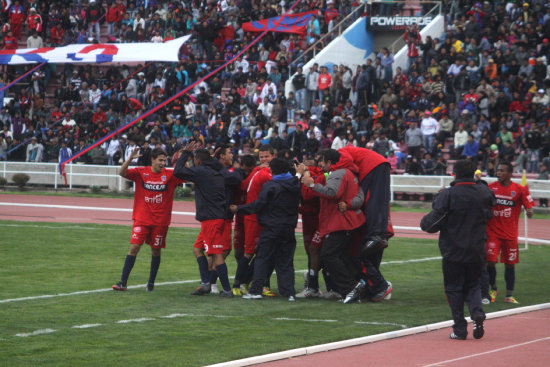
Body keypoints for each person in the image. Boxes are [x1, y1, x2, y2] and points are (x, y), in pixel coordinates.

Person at [421, 159, 495, 340]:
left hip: (453, 250)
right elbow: (490, 212)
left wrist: (436, 202)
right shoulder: (484, 193)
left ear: (454, 174)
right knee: (474, 285)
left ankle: (460, 328)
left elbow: (430, 225)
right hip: (477, 249)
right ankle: (477, 312)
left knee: (454, 289)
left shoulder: (448, 195)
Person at [112, 147, 185, 292]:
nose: (163, 163)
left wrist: (184, 159)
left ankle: (151, 283)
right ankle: (123, 283)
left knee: (156, 251)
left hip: (160, 222)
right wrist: (130, 159)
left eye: (165, 160)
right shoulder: (141, 172)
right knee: (134, 248)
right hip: (142, 219)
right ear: (152, 159)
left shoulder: (170, 175)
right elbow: (121, 172)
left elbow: (186, 175)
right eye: (160, 160)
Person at [231, 158, 301, 301]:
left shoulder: (271, 186)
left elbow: (258, 204)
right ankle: (289, 292)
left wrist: (239, 209)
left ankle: (256, 290)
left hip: (271, 227)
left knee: (262, 259)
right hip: (288, 228)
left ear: (272, 170)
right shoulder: (295, 184)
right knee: (286, 261)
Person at [301, 149, 365, 299]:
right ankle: (353, 287)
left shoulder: (336, 174)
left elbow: (332, 192)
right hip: (348, 222)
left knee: (328, 255)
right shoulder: (350, 173)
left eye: (322, 161)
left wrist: (311, 185)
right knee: (341, 257)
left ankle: (351, 288)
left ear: (329, 162)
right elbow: (360, 196)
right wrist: (349, 204)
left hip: (339, 222)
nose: (320, 165)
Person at [173, 142, 234, 298]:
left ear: (198, 161)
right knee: (197, 248)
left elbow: (178, 171)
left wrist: (185, 153)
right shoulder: (219, 171)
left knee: (217, 254)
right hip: (216, 217)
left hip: (211, 219)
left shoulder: (201, 172)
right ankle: (206, 283)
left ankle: (227, 290)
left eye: (195, 159)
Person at [483, 162, 534, 304]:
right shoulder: (490, 188)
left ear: (510, 173)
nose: (498, 173)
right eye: (498, 170)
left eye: (502, 171)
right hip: (492, 233)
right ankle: (493, 289)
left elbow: (529, 209)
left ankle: (509, 295)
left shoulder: (519, 189)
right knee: (490, 262)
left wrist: (529, 212)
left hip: (510, 235)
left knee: (510, 264)